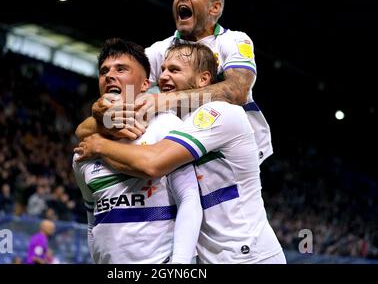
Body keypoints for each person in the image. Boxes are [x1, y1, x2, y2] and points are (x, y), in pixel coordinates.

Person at [75, 43, 285, 264]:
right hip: (210, 257)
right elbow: (84, 128)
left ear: (203, 80)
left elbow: (153, 163)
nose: (163, 76)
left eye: (174, 70)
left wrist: (99, 145)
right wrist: (98, 118)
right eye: (163, 69)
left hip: (249, 255)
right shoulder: (173, 119)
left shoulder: (221, 114)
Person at [76, 0, 272, 164]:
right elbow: (124, 90)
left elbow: (237, 91)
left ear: (215, 8)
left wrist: (163, 100)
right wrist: (103, 110)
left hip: (234, 152)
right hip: (184, 147)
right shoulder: (159, 50)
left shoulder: (233, 40)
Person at [72, 38, 202, 264]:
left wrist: (179, 265)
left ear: (145, 84)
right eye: (104, 71)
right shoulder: (83, 151)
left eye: (121, 69)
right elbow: (93, 218)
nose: (109, 75)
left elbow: (189, 200)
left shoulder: (166, 125)